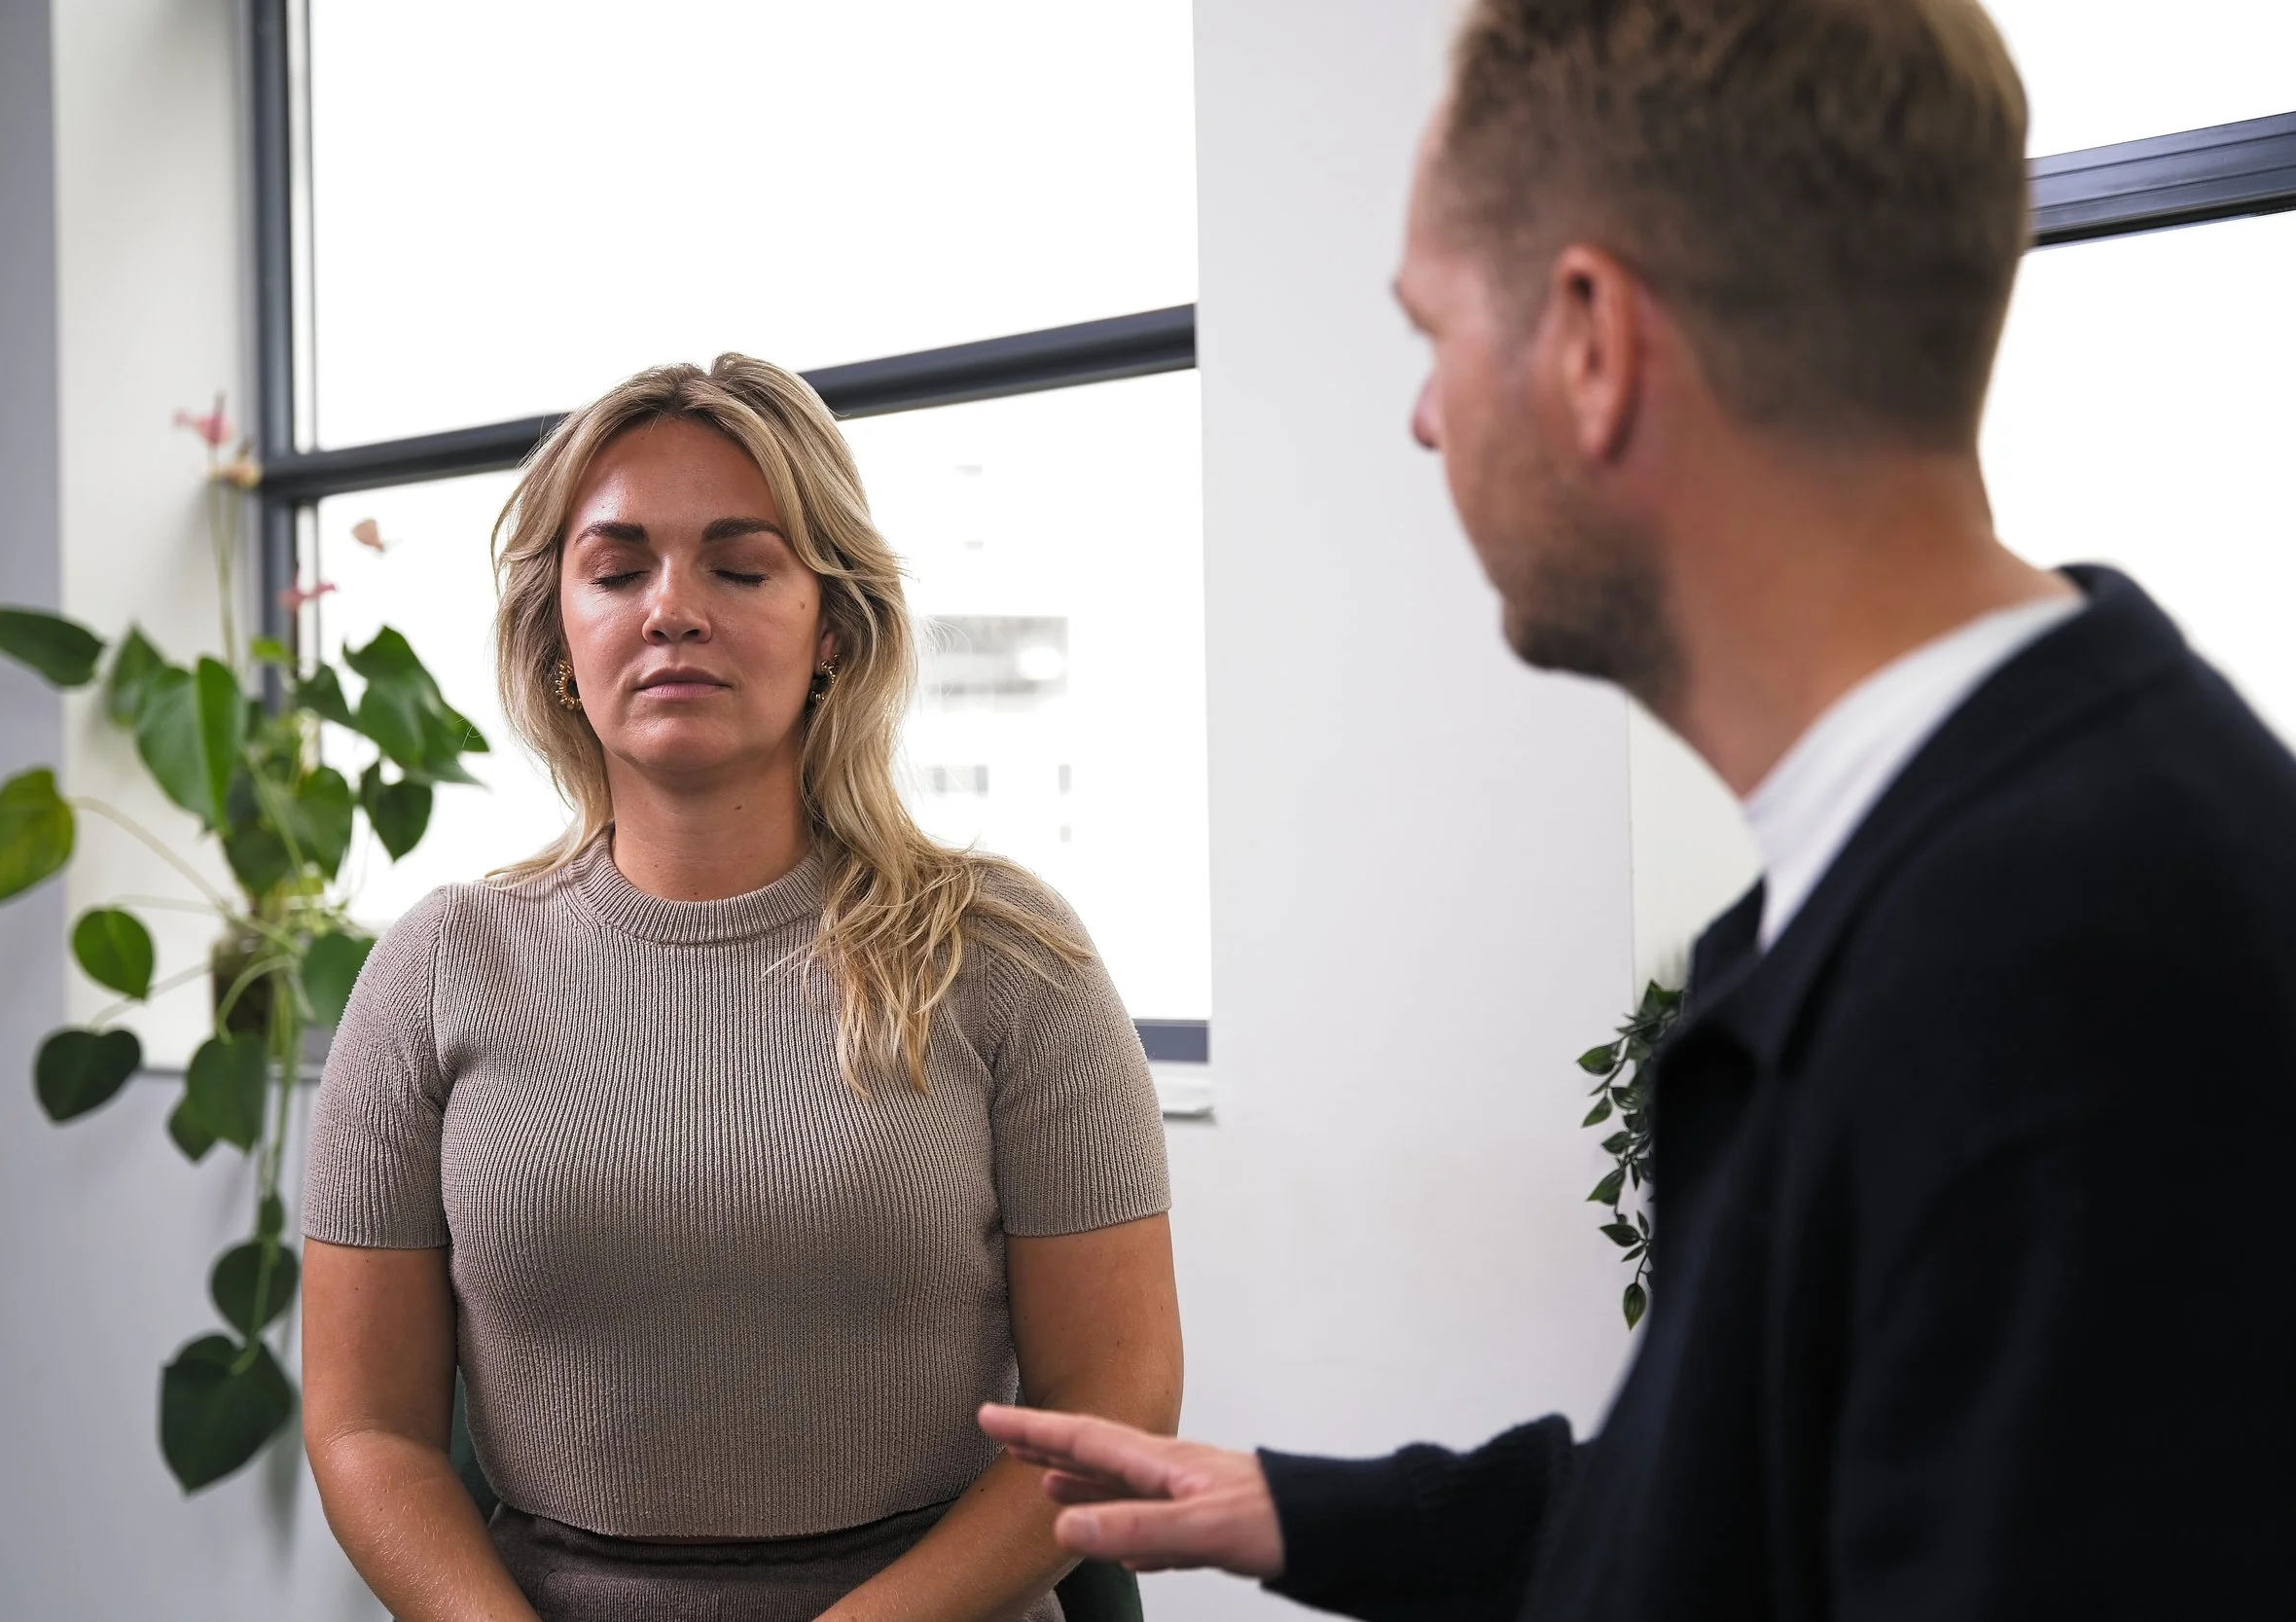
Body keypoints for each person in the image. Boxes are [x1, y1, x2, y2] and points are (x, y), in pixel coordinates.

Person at [981, 0, 2294, 1616]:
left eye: (1433, 332)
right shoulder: (1953, 867)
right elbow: (1753, 1499)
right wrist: (1301, 1509)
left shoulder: (2078, 976)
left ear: (1594, 344)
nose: (1424, 417)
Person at [299, 356, 1183, 1622]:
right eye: (616, 570)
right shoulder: (437, 970)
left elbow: (1113, 1400)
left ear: (833, 625)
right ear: (558, 635)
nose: (672, 609)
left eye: (740, 562)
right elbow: (368, 1426)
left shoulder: (1005, 957)